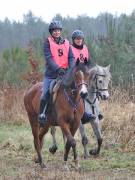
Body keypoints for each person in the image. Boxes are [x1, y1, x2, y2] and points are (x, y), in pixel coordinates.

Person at [39, 20, 74, 127]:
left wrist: (71, 67)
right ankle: (42, 115)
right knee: (45, 94)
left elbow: (71, 57)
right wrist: (58, 69)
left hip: (65, 74)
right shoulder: (47, 43)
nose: (57, 32)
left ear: (60, 31)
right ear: (51, 32)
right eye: (54, 30)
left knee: (79, 89)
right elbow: (49, 58)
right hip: (51, 75)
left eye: (58, 30)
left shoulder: (67, 43)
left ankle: (83, 113)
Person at [71, 30, 97, 123]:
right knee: (80, 90)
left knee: (95, 86)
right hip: (74, 73)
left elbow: (88, 61)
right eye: (77, 39)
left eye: (80, 39)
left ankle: (96, 111)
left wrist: (88, 69)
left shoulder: (85, 48)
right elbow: (70, 62)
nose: (79, 40)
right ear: (73, 40)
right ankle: (83, 113)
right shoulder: (70, 48)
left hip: (84, 72)